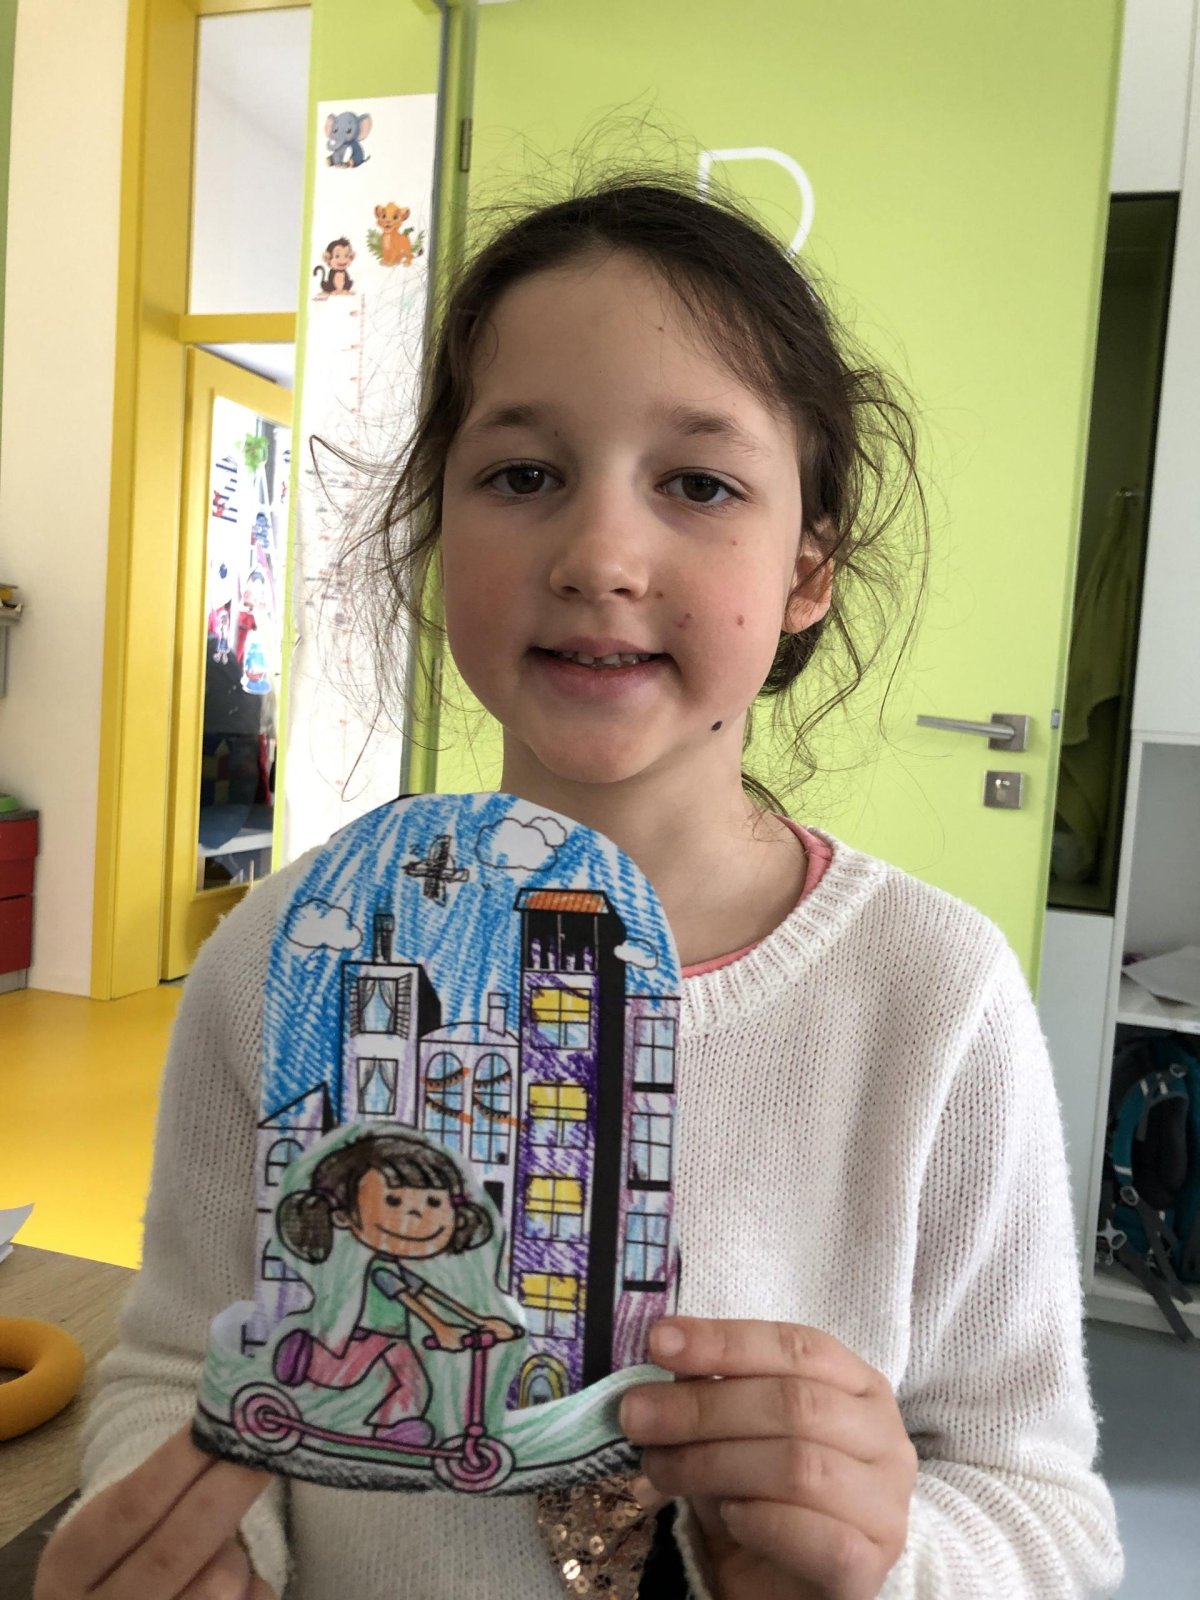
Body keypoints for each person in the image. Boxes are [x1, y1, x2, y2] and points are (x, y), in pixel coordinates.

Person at [36, 175, 1124, 1600]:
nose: (600, 557)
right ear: (439, 530)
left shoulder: (932, 995)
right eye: (522, 475)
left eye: (700, 484)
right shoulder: (283, 960)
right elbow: (180, 1367)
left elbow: (1040, 1508)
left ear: (808, 570)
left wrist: (893, 1561)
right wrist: (200, 1548)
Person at [271, 1131, 521, 1447]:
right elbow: (408, 1300)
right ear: (344, 1216)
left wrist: (480, 1321)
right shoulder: (381, 1268)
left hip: (394, 1338)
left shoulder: (397, 1265)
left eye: (433, 1202)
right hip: (372, 1335)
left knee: (411, 1383)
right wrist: (441, 1328)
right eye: (393, 1201)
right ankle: (303, 1356)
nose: (416, 1214)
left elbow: (431, 1295)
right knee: (339, 1375)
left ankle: (394, 1428)